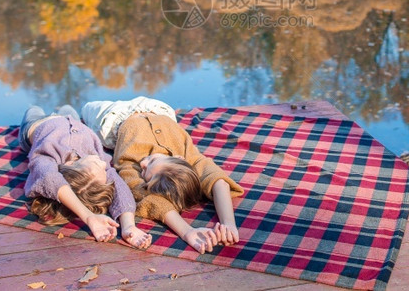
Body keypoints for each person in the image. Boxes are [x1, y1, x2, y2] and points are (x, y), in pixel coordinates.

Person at [81, 97, 244, 253]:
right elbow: (218, 181)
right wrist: (228, 223)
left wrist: (187, 231)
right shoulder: (186, 154)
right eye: (152, 160)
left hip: (112, 118)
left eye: (145, 172)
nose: (143, 164)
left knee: (86, 108)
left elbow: (148, 198)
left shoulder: (129, 164)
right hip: (158, 108)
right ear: (178, 159)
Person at [18, 104, 151, 249]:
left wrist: (88, 216)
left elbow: (49, 178)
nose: (104, 164)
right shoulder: (98, 160)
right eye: (103, 167)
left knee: (33, 108)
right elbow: (120, 190)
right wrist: (128, 226)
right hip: (73, 120)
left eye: (97, 165)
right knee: (68, 107)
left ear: (72, 166)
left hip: (35, 125)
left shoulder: (46, 158)